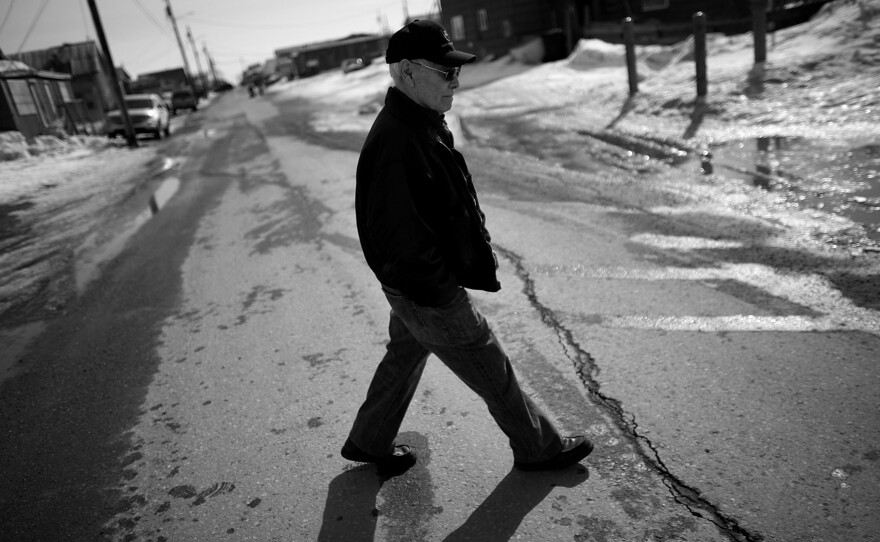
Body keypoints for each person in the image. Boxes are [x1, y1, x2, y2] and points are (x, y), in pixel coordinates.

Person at [341, 20, 593, 475]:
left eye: (457, 72)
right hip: (425, 289)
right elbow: (401, 238)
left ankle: (368, 438)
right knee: (486, 359)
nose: (456, 82)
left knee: (405, 354)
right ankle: (538, 446)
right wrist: (441, 291)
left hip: (414, 286)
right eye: (445, 73)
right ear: (407, 72)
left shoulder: (419, 123)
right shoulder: (399, 139)